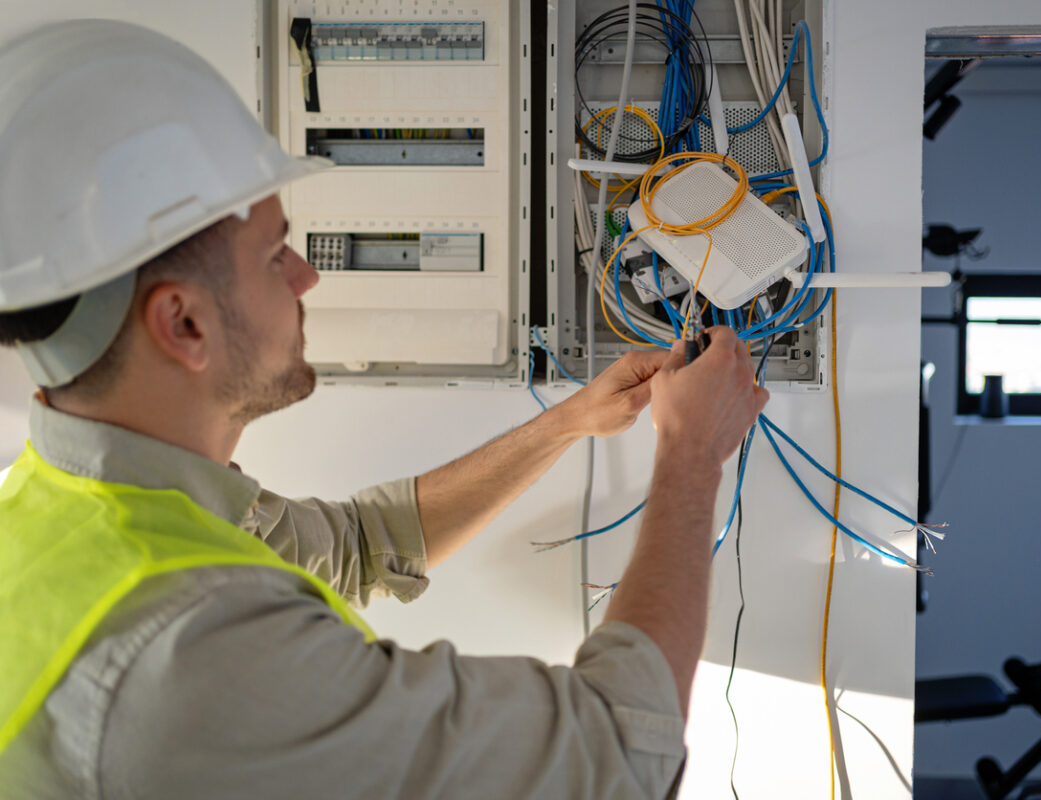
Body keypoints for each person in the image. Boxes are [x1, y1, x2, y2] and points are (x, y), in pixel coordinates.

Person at [0, 20, 767, 800]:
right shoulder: (188, 651)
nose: (306, 277)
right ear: (183, 324)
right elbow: (619, 754)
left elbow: (366, 546)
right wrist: (693, 453)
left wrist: (569, 421)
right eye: (274, 256)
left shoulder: (67, 511)